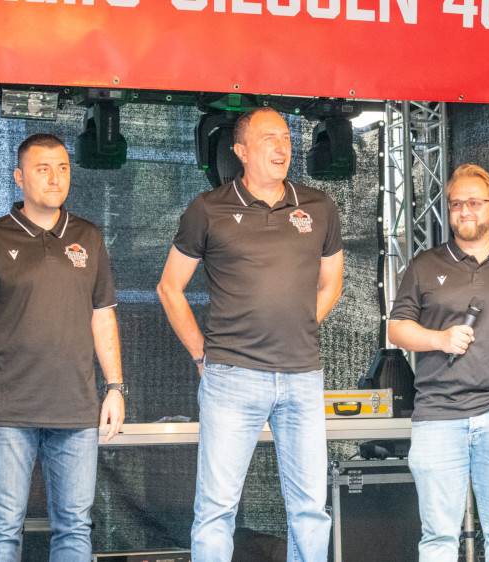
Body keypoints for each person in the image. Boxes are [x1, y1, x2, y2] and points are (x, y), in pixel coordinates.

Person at [156, 107, 344, 562]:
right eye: (268, 138)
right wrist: (201, 355)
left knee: (310, 509)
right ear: (240, 151)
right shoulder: (209, 209)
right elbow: (169, 287)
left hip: (301, 376)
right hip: (232, 377)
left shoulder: (318, 206)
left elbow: (332, 284)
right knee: (217, 509)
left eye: (287, 138)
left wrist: (300, 324)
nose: (282, 147)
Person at [0, 133, 126, 561]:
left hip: (76, 409)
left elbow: (103, 316)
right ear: (19, 177)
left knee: (75, 526)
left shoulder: (89, 236)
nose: (55, 178)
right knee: (2, 525)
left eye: (62, 168)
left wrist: (115, 387)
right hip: (7, 409)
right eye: (43, 169)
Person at [387, 163, 489, 561]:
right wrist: (439, 339)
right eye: (456, 204)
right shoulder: (426, 264)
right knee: (438, 537)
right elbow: (397, 328)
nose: (464, 211)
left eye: (474, 203)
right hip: (438, 416)